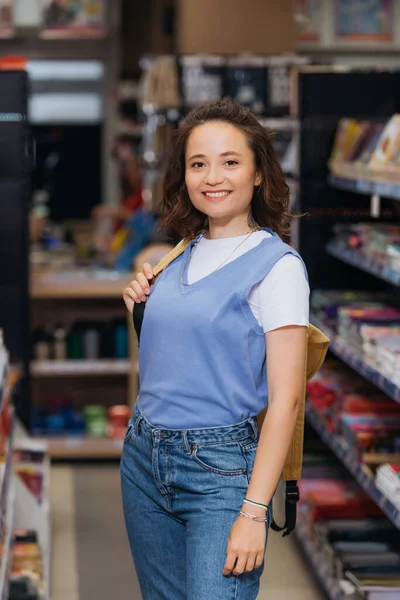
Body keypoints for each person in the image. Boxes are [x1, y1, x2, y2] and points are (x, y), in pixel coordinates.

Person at [121, 98, 309, 599]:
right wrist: (140, 306)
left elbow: (287, 401)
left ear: (258, 176)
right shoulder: (178, 254)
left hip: (221, 470)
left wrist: (253, 510)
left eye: (230, 162)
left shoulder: (278, 267)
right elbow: (180, 359)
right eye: (198, 164)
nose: (212, 177)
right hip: (143, 455)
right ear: (183, 176)